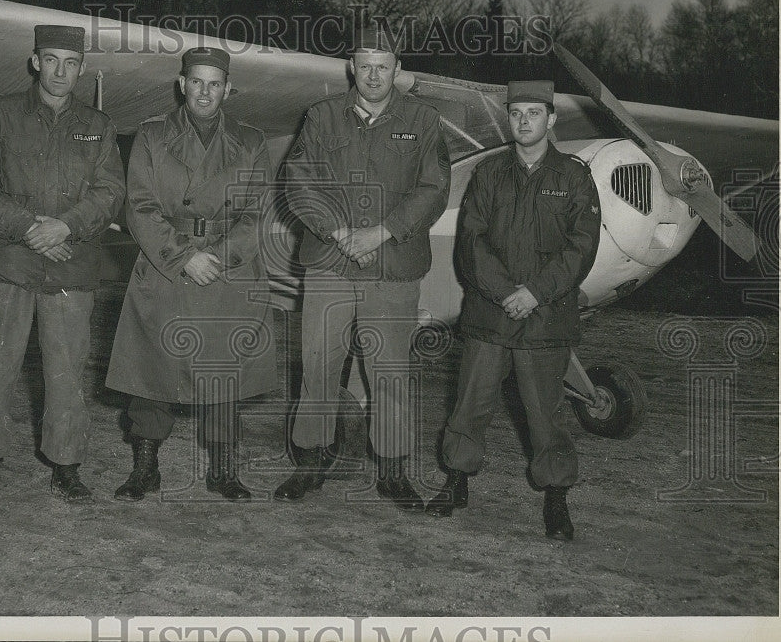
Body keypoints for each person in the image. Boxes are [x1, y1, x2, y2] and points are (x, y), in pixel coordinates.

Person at [274, 27, 451, 512]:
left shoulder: (424, 119)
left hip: (392, 265)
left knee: (390, 371)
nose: (374, 75)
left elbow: (434, 189)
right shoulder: (322, 116)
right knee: (318, 365)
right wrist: (336, 232)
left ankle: (392, 472)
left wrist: (382, 231)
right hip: (330, 263)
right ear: (351, 66)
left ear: (398, 69)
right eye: (364, 65)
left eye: (384, 65)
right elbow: (298, 179)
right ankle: (310, 461)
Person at [0, 24, 126, 509]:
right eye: (50, 59)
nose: (60, 71)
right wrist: (33, 227)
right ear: (34, 61)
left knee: (68, 372)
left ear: (82, 69)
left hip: (70, 267)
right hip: (8, 264)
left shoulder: (99, 124)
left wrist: (66, 227)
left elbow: (110, 192)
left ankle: (66, 468)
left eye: (70, 62)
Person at [425, 79, 601, 540]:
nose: (524, 122)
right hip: (490, 312)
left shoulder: (574, 177)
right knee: (470, 403)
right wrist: (506, 292)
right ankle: (456, 482)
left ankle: (556, 500)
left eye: (534, 114)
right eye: (517, 114)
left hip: (545, 317)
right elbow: (472, 241)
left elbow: (582, 247)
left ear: (552, 119)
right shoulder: (489, 173)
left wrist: (535, 293)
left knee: (546, 412)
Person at [105, 46, 274, 503]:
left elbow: (257, 211)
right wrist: (184, 258)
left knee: (224, 368)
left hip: (227, 267)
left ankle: (223, 471)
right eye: (196, 81)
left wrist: (217, 256)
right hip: (166, 262)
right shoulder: (152, 135)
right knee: (152, 368)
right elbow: (138, 205)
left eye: (214, 83)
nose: (204, 91)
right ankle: (145, 468)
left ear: (227, 90)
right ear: (182, 85)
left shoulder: (251, 140)